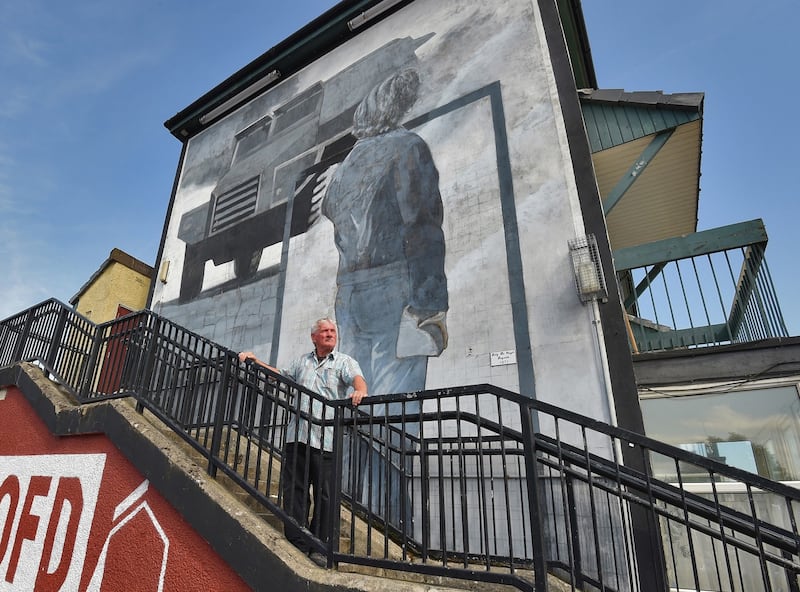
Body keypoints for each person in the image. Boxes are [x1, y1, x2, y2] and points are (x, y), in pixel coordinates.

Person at [238, 318, 367, 566]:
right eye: (325, 331)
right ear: (314, 337)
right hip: (297, 436)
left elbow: (357, 379)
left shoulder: (343, 361)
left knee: (325, 496)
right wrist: (255, 361)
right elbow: (279, 376)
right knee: (294, 490)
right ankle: (298, 541)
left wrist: (360, 391)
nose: (330, 334)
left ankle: (319, 547)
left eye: (333, 331)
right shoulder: (302, 362)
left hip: (326, 440)